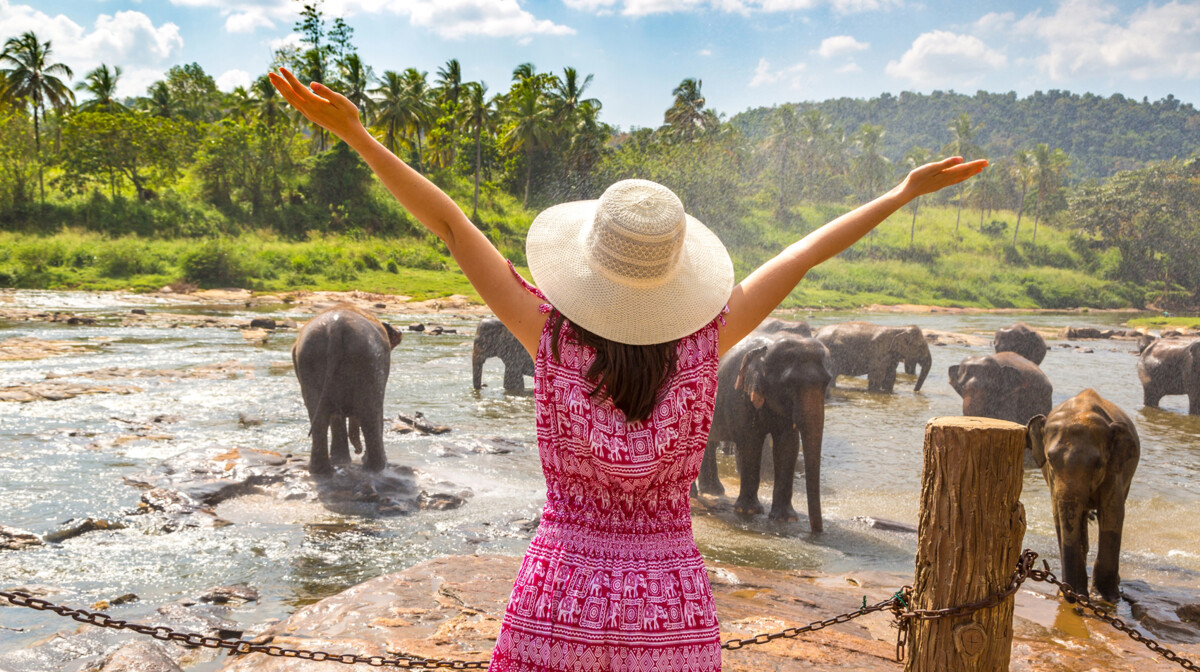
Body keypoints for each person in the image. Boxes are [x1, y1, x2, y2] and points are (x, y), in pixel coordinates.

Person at [268, 67, 986, 672]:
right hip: (671, 606)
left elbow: (454, 225)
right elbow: (801, 255)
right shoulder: (709, 343)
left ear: (587, 262)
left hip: (556, 600)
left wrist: (360, 135)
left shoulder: (544, 333)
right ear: (677, 271)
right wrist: (899, 195)